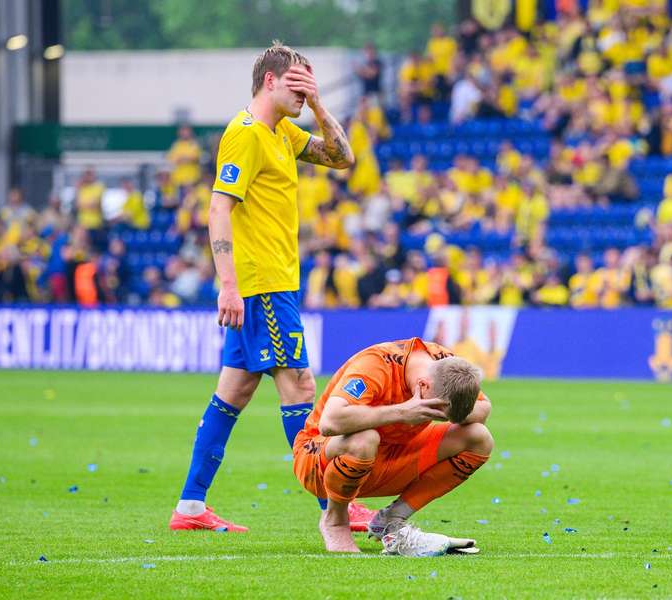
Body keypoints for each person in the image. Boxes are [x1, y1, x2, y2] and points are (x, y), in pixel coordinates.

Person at [170, 41, 359, 533]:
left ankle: (190, 507)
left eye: (309, 85)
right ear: (270, 81)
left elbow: (343, 157)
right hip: (263, 286)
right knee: (299, 386)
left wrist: (317, 104)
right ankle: (332, 508)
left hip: (274, 283)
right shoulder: (247, 133)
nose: (304, 93)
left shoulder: (284, 135)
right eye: (297, 84)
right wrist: (227, 286)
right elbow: (218, 207)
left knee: (232, 392)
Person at [293, 337, 493, 554]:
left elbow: (483, 408)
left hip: (387, 459)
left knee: (478, 436)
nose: (433, 416)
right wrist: (403, 411)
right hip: (319, 461)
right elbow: (330, 422)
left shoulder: (447, 366)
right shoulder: (375, 364)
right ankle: (335, 521)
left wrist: (443, 412)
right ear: (423, 385)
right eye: (432, 410)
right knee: (365, 439)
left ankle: (391, 519)